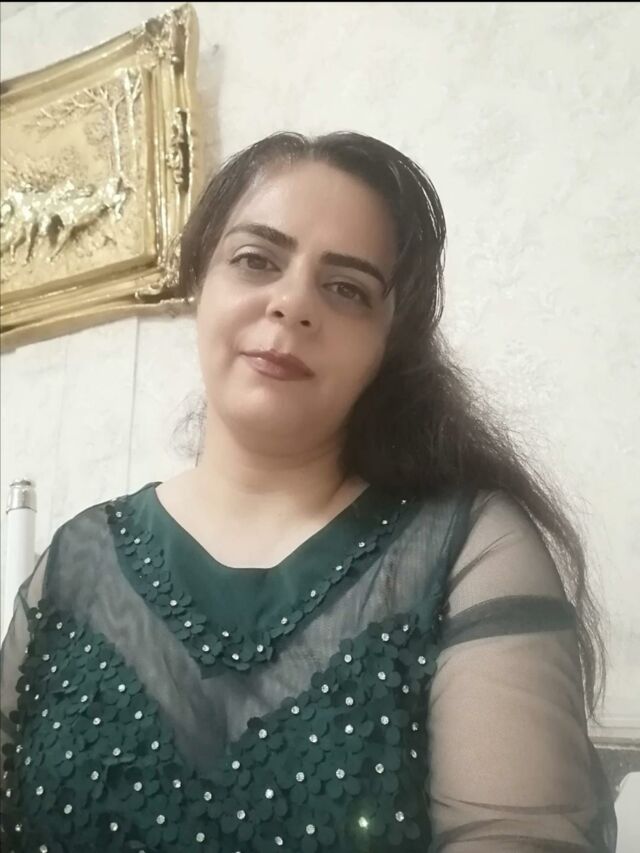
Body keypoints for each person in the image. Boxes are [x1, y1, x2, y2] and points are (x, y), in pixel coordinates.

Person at [0, 131, 617, 852]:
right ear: (199, 280)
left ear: (389, 342)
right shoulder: (74, 560)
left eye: (347, 288)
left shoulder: (471, 549)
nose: (292, 303)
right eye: (256, 260)